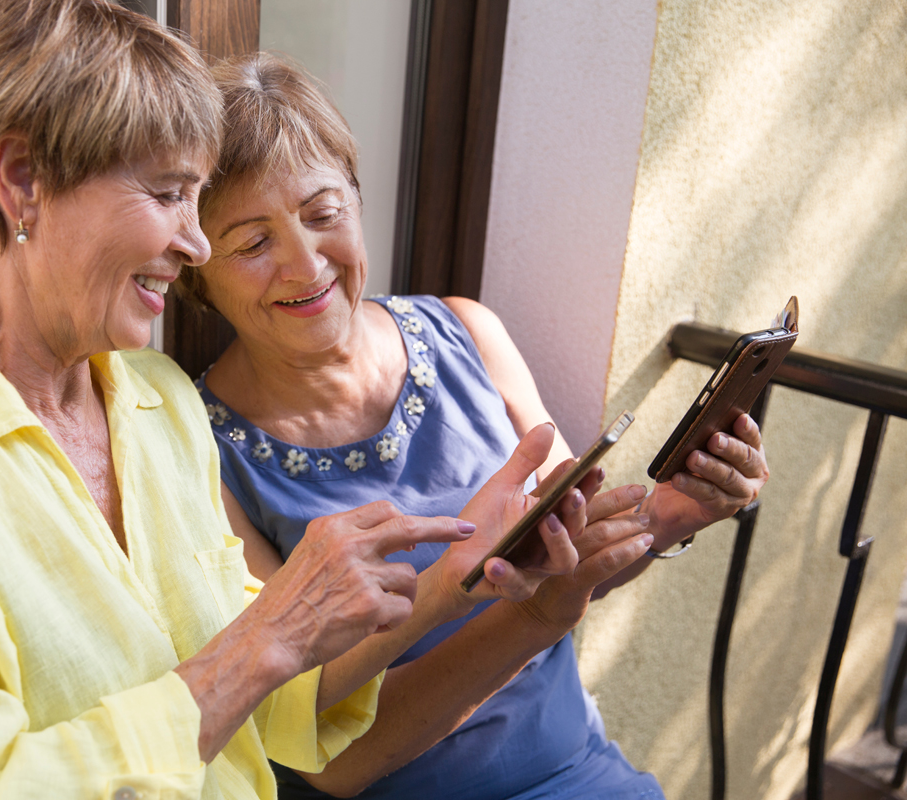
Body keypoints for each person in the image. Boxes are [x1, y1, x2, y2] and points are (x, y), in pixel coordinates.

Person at [0, 3, 652, 799]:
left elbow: (279, 710)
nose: (198, 246)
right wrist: (260, 641)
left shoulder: (157, 402)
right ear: (20, 181)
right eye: (170, 194)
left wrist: (447, 585)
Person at [185, 53, 771, 799]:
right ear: (196, 268)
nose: (306, 265)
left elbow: (574, 561)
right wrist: (521, 612)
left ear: (359, 203)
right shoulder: (197, 451)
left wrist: (669, 518)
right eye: (253, 242)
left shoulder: (467, 329)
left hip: (574, 772)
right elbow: (336, 766)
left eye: (323, 213)